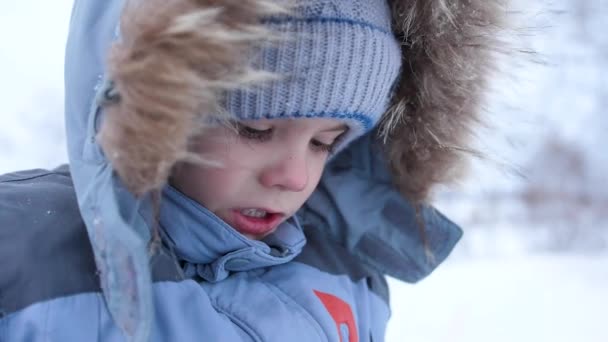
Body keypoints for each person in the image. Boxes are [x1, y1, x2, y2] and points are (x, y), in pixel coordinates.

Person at [0, 0, 506, 341]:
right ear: (156, 113)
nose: (294, 177)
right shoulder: (23, 259)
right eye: (256, 129)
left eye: (324, 143)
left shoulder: (345, 273)